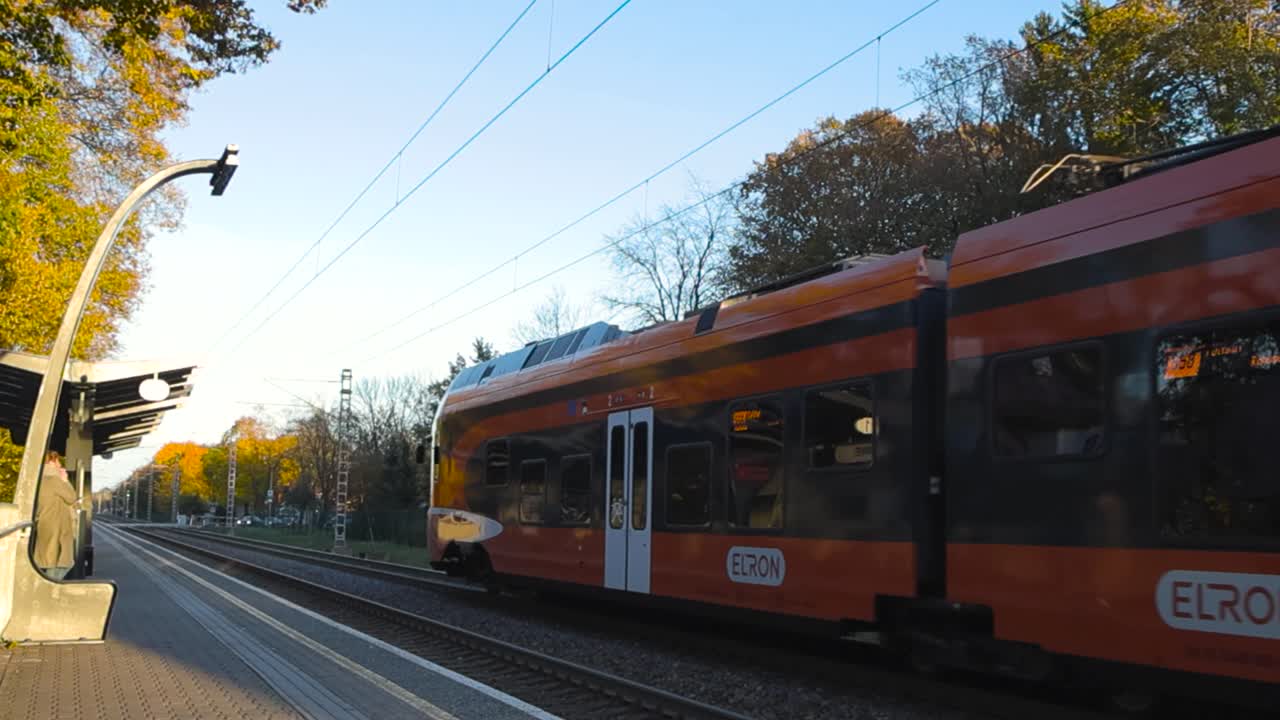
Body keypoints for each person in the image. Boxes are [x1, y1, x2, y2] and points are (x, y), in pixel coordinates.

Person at [34, 450, 79, 580]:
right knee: (60, 564)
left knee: (51, 561)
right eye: (58, 460)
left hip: (46, 523)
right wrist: (65, 480)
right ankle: (46, 593)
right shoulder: (54, 479)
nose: (60, 464)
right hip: (57, 527)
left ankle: (46, 589)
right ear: (51, 462)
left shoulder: (41, 479)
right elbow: (71, 498)